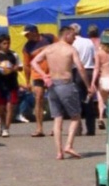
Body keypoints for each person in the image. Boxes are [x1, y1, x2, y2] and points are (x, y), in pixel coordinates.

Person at [30, 25, 94, 160]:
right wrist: (88, 85)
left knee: (57, 118)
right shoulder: (70, 49)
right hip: (66, 84)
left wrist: (44, 75)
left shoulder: (49, 48)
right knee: (75, 116)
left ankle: (59, 152)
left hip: (52, 84)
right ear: (66, 35)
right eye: (72, 35)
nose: (75, 37)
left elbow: (34, 62)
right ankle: (69, 145)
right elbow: (81, 68)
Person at [21, 25, 55, 137]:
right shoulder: (27, 47)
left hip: (52, 73)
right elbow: (26, 65)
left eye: (27, 34)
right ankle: (39, 128)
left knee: (54, 99)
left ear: (34, 32)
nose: (26, 36)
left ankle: (56, 127)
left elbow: (60, 47)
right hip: (38, 75)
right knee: (38, 98)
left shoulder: (49, 38)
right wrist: (27, 81)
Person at [0, 35, 22, 137]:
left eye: (8, 43)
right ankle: (2, 124)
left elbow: (20, 67)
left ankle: (6, 128)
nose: (7, 45)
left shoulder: (14, 54)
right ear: (0, 44)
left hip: (12, 82)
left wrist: (15, 68)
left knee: (10, 105)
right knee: (1, 107)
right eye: (4, 43)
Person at [71, 23, 97, 136]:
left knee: (76, 100)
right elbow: (94, 57)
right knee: (89, 100)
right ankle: (91, 128)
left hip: (77, 71)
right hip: (90, 70)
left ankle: (78, 128)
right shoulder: (89, 41)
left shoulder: (73, 43)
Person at [92, 35, 109, 129]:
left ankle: (101, 117)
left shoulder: (99, 53)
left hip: (104, 79)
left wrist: (92, 82)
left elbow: (96, 68)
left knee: (101, 99)